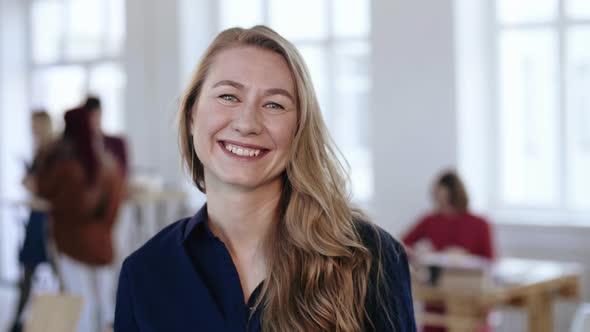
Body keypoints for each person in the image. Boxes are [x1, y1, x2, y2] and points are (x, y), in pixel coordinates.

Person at [114, 26, 417, 332]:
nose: (247, 124)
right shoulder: (144, 273)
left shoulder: (368, 257)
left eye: (274, 105)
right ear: (193, 115)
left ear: (298, 129)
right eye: (228, 96)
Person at [36, 107, 125, 332]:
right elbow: (114, 207)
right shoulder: (108, 165)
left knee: (79, 299)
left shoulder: (64, 165)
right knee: (105, 304)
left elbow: (45, 190)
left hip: (71, 242)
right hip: (101, 241)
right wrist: (104, 229)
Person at [402, 170, 495, 332]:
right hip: (438, 294)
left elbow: (490, 260)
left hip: (469, 296)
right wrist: (423, 256)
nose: (443, 204)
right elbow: (402, 244)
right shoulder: (430, 220)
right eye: (439, 198)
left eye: (446, 198)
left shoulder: (480, 223)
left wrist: (465, 256)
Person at [9, 111, 62, 332]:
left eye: (37, 126)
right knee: (28, 273)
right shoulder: (41, 152)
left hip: (48, 220)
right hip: (35, 218)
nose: (34, 130)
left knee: (59, 273)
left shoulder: (54, 153)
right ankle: (18, 321)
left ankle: (63, 321)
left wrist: (32, 184)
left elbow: (50, 190)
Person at [84, 96, 129, 177]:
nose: (92, 120)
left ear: (100, 114)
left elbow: (123, 174)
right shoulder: (81, 147)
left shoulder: (117, 143)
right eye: (89, 116)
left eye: (95, 115)